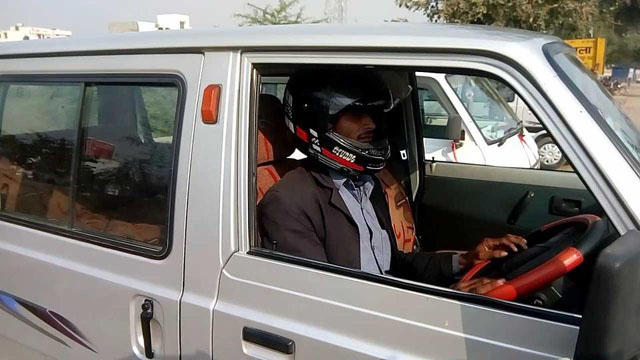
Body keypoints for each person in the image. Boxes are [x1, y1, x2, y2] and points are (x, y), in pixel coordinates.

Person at [258, 69, 527, 294]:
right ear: (319, 121)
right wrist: (448, 298)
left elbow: (391, 264)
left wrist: (464, 260)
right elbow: (321, 301)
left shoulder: (367, 184)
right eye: (355, 114)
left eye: (372, 114)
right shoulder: (288, 203)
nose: (371, 124)